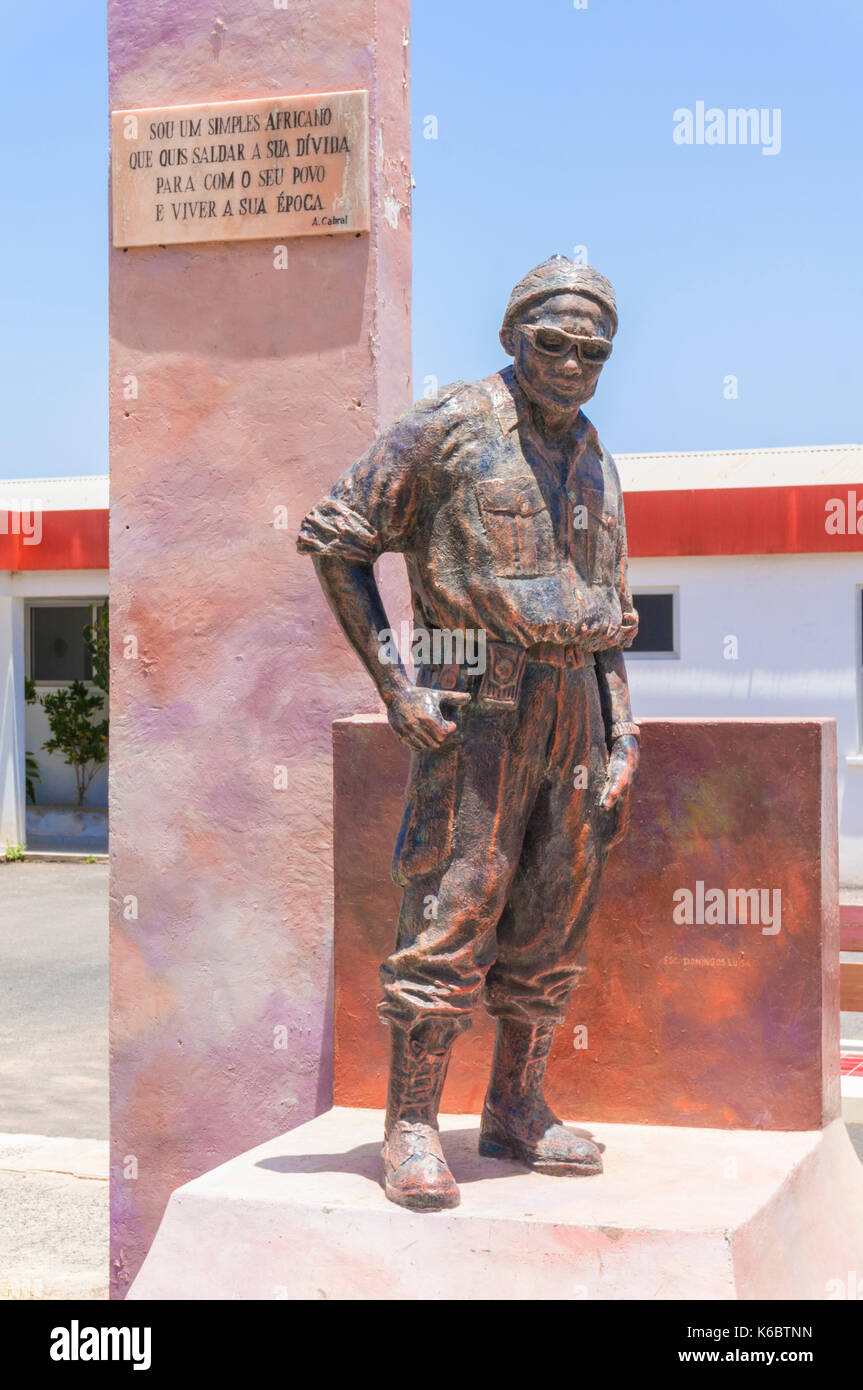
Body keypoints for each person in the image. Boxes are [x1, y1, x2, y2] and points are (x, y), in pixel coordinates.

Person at [298, 256, 640, 1210]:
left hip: (574, 706)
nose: (572, 364)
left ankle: (517, 1107)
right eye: (552, 344)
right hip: (474, 701)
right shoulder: (448, 427)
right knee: (452, 909)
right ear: (510, 339)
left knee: (553, 911)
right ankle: (409, 1125)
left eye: (593, 351)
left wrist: (623, 737)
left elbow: (611, 614)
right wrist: (396, 688)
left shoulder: (595, 455)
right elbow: (335, 536)